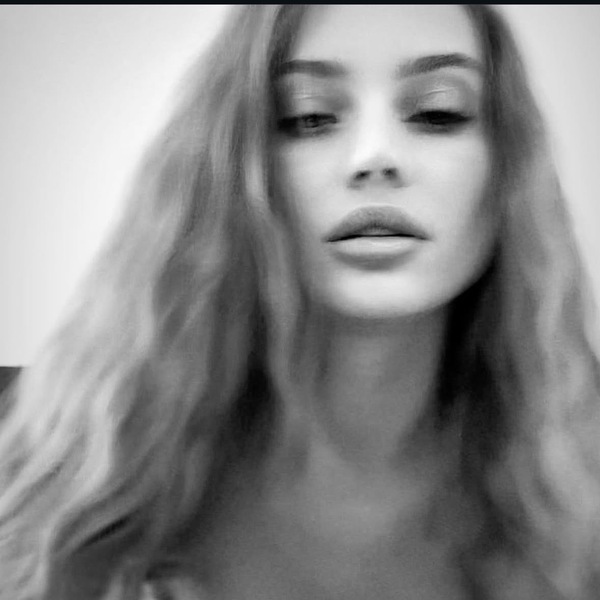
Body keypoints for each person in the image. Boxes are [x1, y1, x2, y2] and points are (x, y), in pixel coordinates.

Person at [1, 5, 599, 600]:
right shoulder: (44, 470)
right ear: (236, 168)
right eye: (309, 117)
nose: (373, 158)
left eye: (438, 113)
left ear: (508, 171)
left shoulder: (583, 488)